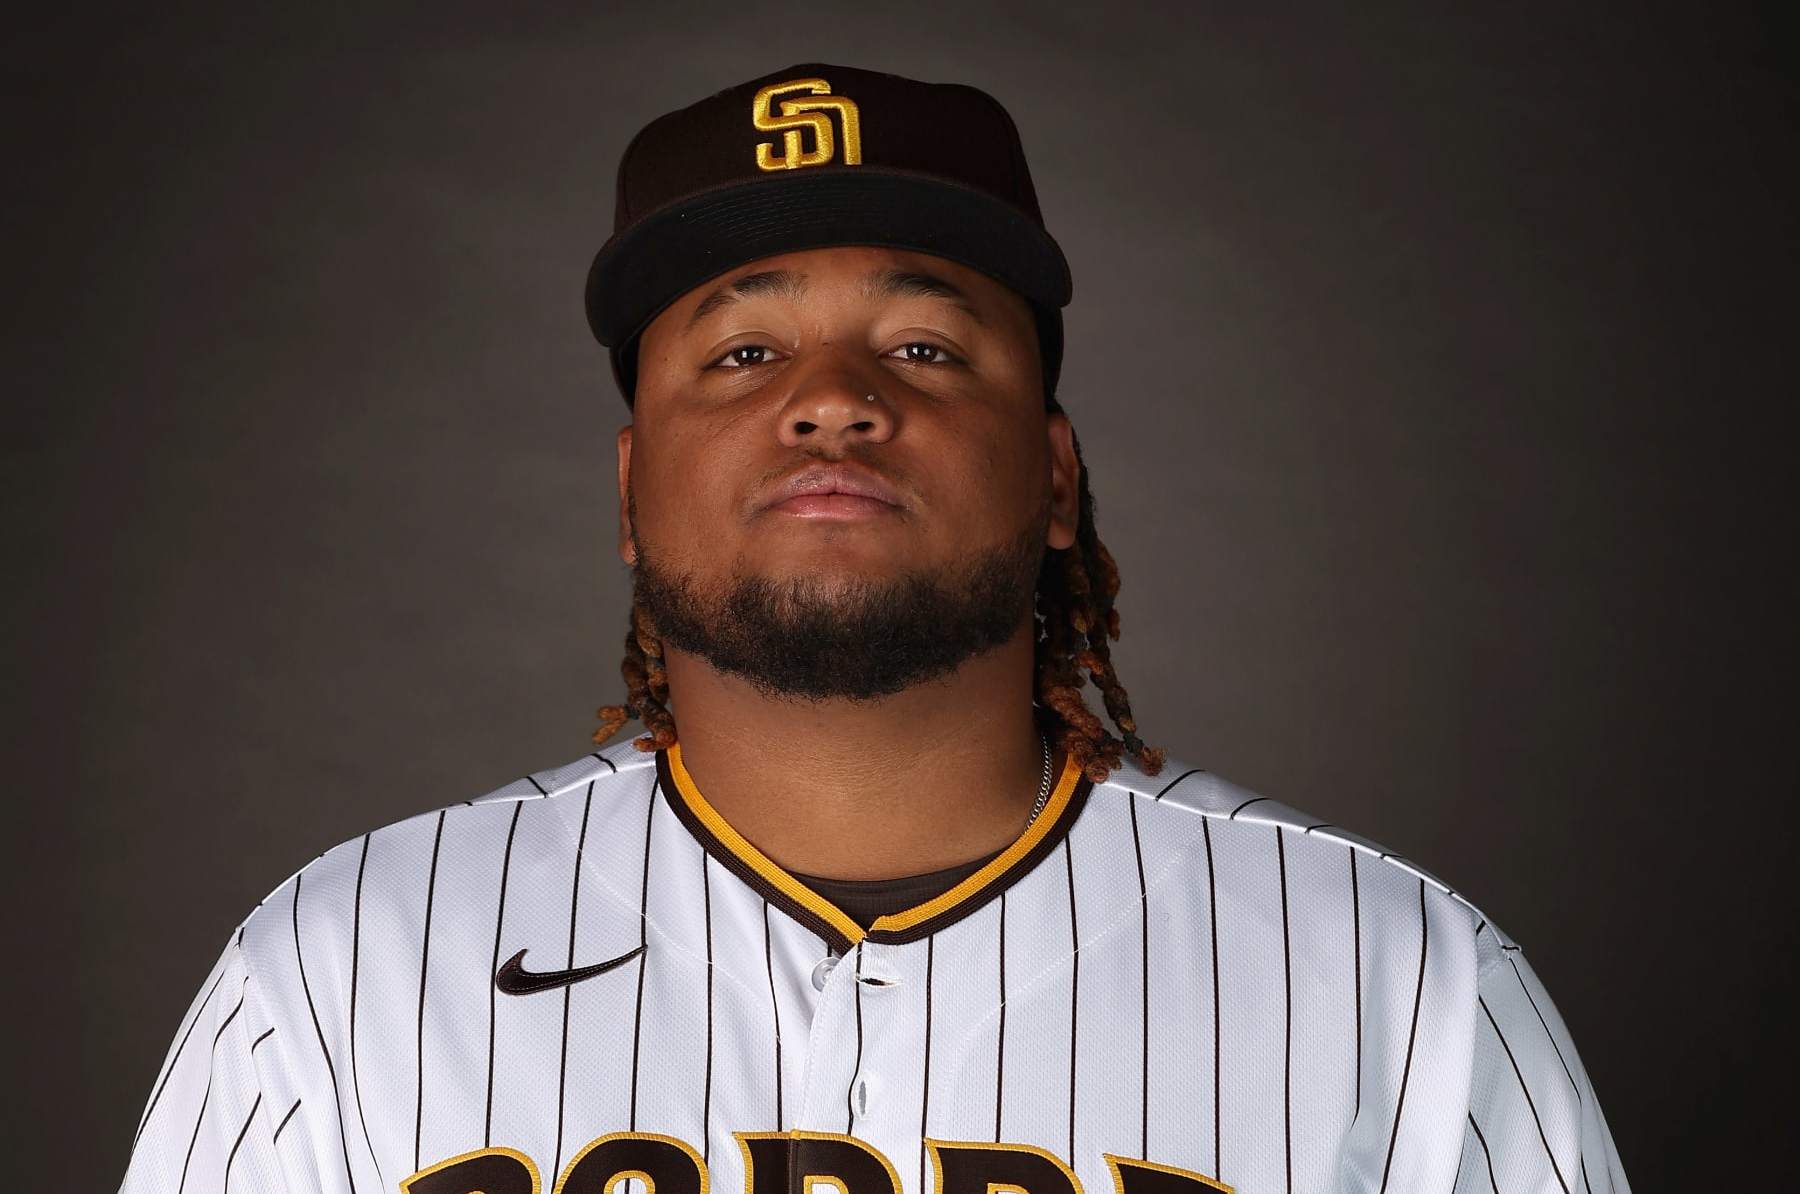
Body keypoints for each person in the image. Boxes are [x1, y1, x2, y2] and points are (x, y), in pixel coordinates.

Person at [121, 62, 1629, 1194]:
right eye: (745, 347)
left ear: (1052, 475)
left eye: (922, 343)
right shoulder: (337, 975)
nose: (834, 395)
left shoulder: (1395, 976)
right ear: (634, 487)